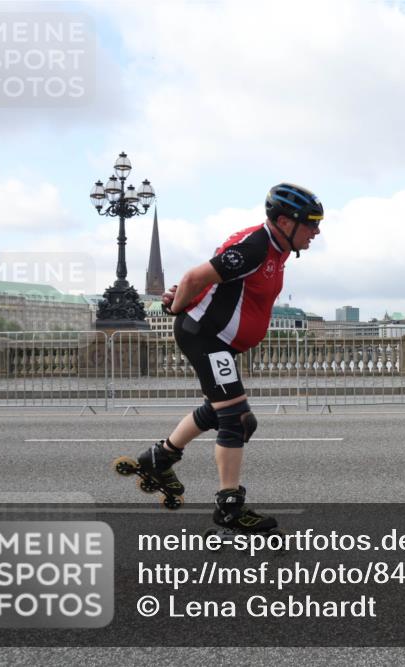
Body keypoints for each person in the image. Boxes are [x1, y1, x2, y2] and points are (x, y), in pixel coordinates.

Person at [115, 183, 322, 533]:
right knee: (238, 420)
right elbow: (196, 276)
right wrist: (174, 305)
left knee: (220, 409)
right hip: (206, 337)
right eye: (311, 223)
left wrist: (183, 298)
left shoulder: (275, 246)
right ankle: (229, 508)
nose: (316, 231)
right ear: (286, 222)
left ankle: (159, 458)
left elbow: (215, 281)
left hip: (220, 341)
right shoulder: (256, 246)